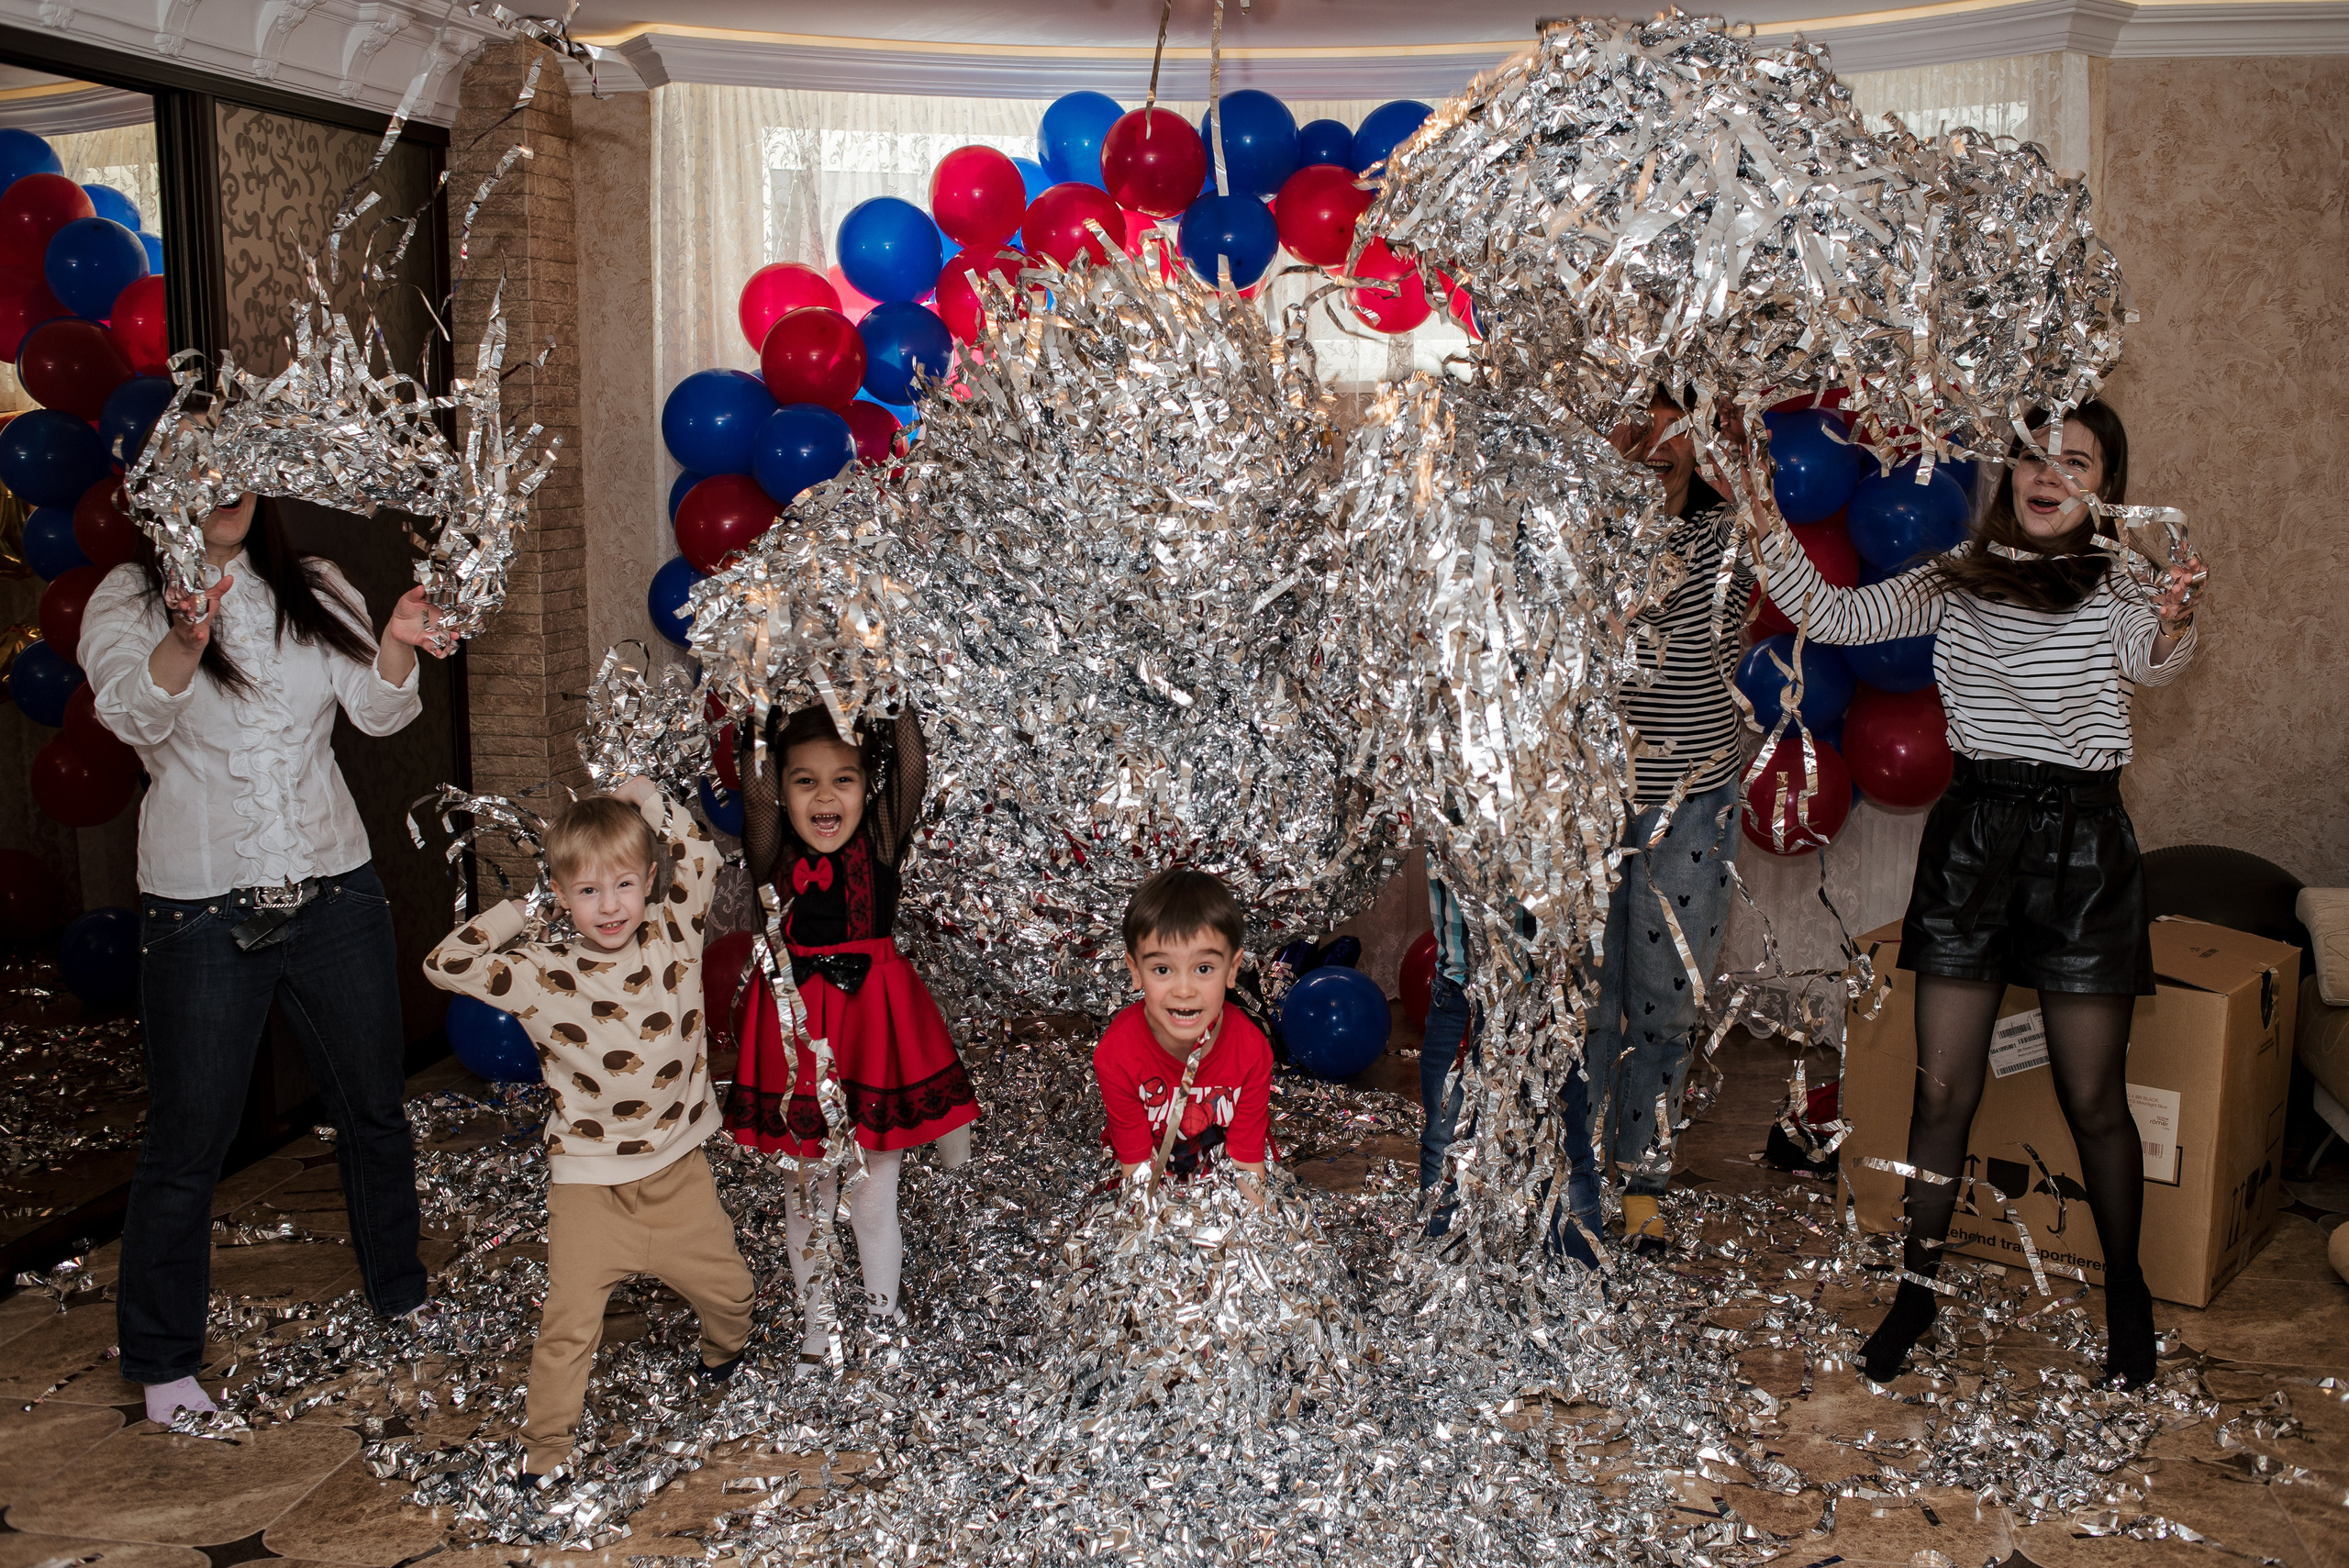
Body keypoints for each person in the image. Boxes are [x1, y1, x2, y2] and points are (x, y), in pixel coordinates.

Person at [1752, 400, 2203, 1389]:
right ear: (2012, 476)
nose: (2050, 472)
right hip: (1973, 841)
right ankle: (1915, 1290)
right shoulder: (1954, 578)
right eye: (2036, 456)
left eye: (2075, 461)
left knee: (2093, 1097)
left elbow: (2151, 663)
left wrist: (2174, 620)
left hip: (2084, 851)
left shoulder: (2120, 581)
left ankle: (2126, 1306)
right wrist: (1765, 530)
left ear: (2102, 486)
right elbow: (1834, 615)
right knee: (1941, 1087)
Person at [81, 492, 451, 1427]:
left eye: (237, 465)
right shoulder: (127, 597)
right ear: (159, 482)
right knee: (188, 1137)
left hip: (336, 885)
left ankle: (401, 1292)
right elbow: (134, 716)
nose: (221, 486)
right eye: (198, 466)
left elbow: (376, 710)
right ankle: (163, 1362)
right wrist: (185, 638)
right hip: (203, 901)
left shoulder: (312, 582)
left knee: (373, 1106)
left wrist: (399, 638)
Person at [423, 777, 751, 1481]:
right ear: (563, 895)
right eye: (588, 891)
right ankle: (545, 1456)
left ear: (649, 882)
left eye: (624, 885)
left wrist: (651, 799)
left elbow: (704, 853)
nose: (610, 906)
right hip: (588, 1188)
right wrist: (519, 910)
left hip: (677, 1175)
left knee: (732, 1294)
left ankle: (724, 1355)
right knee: (568, 1327)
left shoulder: (674, 931)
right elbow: (445, 963)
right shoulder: (544, 971)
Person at [723, 705, 980, 1367]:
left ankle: (883, 1324)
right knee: (808, 1194)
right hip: (796, 1031)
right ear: (781, 791)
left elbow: (913, 764)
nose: (826, 795)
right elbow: (752, 782)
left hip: (872, 1024)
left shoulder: (882, 839)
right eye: (804, 781)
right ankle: (818, 1328)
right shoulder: (770, 846)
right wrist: (760, 693)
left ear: (868, 787)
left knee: (872, 1193)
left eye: (844, 779)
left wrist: (884, 672)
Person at [1574, 391, 1752, 1257]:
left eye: (1672, 420)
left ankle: (1643, 1177)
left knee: (1668, 997)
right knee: (1589, 1001)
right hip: (1584, 798)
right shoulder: (1571, 529)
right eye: (1627, 417)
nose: (1649, 441)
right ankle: (1577, 1171)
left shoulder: (1733, 538)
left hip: (1694, 797)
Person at [1093, 869, 1271, 1202]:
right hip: (1149, 1165)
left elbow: (1247, 1164)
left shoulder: (1251, 1050)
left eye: (1204, 968)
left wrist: (1258, 1231)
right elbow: (1136, 1167)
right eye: (1163, 969)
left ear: (1232, 970)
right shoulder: (1116, 1054)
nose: (1185, 990)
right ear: (1135, 970)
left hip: (1223, 1166)